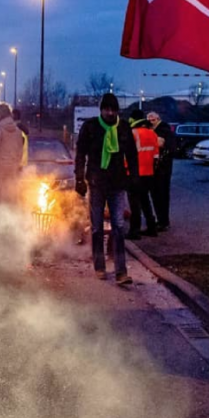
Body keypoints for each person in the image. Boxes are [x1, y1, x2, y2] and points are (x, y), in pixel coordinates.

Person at [75, 93, 138, 285]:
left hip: (117, 183)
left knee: (119, 226)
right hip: (96, 183)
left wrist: (134, 178)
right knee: (97, 228)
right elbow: (80, 154)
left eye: (113, 109)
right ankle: (100, 266)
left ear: (117, 110)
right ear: (101, 109)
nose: (110, 113)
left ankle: (121, 271)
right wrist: (80, 179)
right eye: (106, 109)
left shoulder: (124, 128)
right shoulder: (91, 127)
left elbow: (132, 155)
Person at [127, 109, 159, 240]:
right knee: (145, 201)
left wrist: (124, 171)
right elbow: (156, 155)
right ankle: (152, 228)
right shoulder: (152, 133)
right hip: (149, 173)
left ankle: (134, 231)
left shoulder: (132, 133)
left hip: (134, 174)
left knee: (134, 203)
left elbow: (127, 156)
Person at [147, 111, 175, 231]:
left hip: (162, 168)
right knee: (157, 195)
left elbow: (168, 147)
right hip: (158, 168)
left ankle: (163, 221)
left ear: (158, 119)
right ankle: (162, 220)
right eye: (149, 120)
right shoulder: (160, 130)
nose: (151, 122)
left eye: (153, 120)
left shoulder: (163, 131)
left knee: (161, 195)